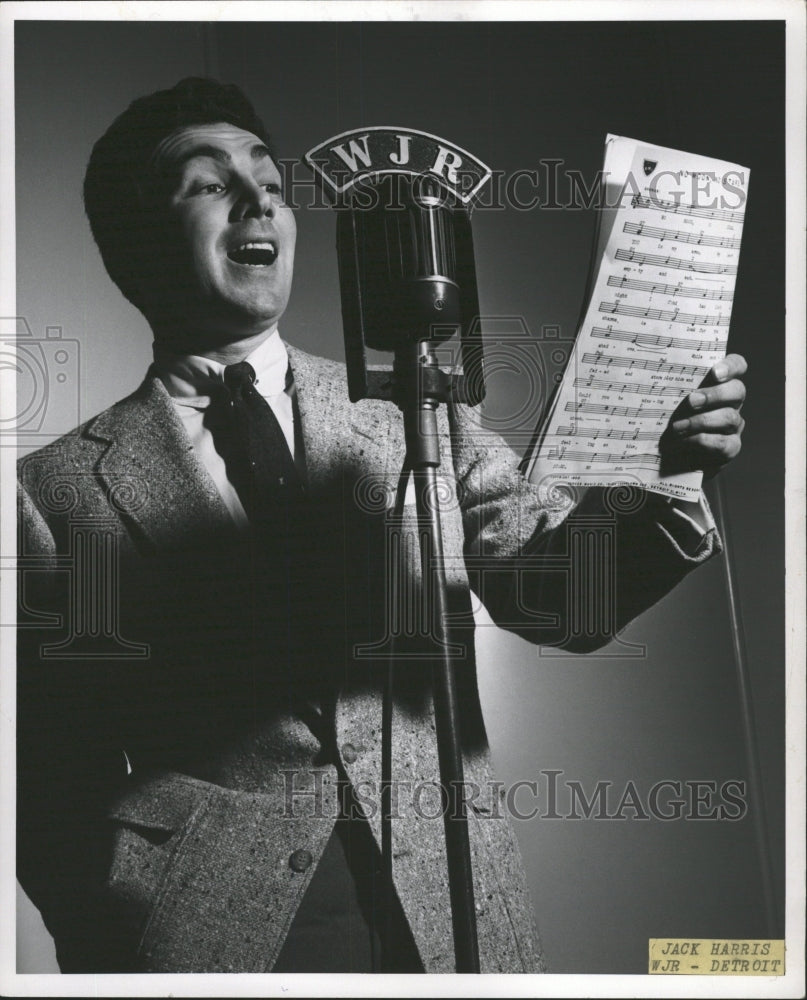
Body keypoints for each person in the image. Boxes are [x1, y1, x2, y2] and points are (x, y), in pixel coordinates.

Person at [16, 77, 747, 974]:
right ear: (134, 237)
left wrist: (662, 479)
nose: (260, 201)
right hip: (216, 940)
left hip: (451, 911)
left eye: (272, 183)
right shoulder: (54, 490)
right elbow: (44, 779)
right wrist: (131, 927)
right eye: (209, 183)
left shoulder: (415, 413)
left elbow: (562, 602)